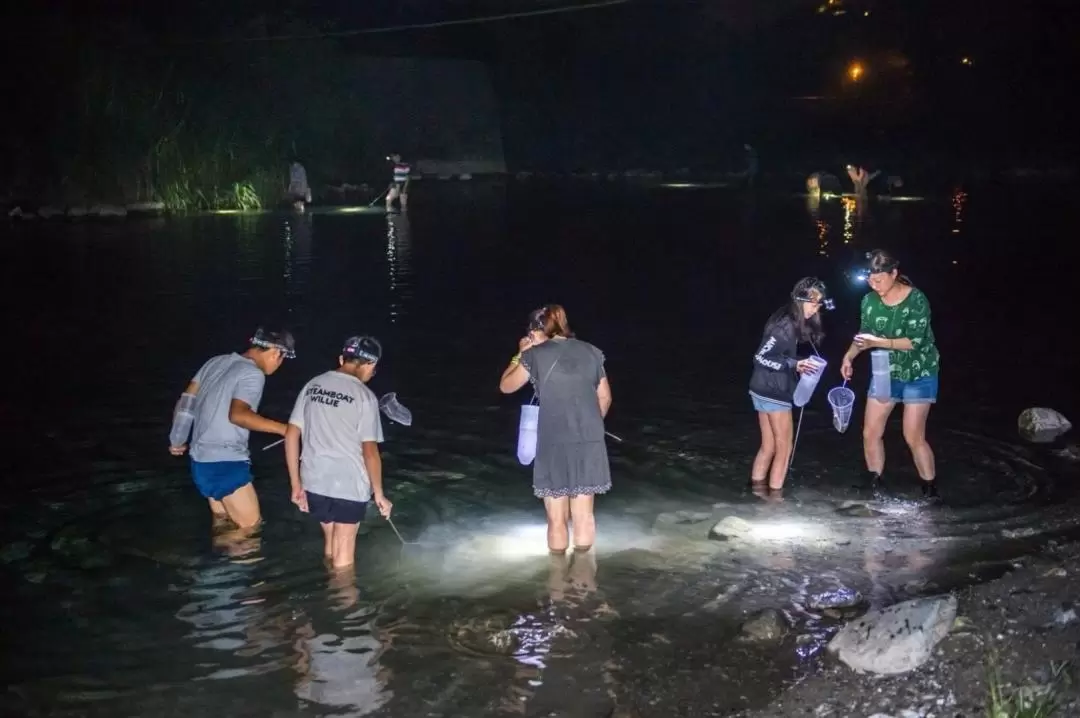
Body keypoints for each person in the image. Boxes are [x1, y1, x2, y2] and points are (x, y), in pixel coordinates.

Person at [498, 305, 612, 554]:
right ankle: (583, 581)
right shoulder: (592, 352)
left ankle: (558, 582)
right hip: (589, 441)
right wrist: (590, 427)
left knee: (557, 518)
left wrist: (519, 354)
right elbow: (604, 398)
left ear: (537, 330)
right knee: (584, 516)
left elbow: (506, 386)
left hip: (553, 442)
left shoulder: (534, 355)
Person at [169, 328, 295, 529]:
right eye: (282, 359)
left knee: (225, 524)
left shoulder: (215, 362)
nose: (278, 365)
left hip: (200, 461)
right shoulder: (253, 373)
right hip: (225, 462)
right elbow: (238, 415)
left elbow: (186, 401)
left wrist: (177, 439)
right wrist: (286, 430)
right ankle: (231, 561)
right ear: (276, 353)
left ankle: (217, 559)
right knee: (250, 531)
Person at [285, 336, 393, 568]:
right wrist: (379, 494)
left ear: (342, 358)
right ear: (370, 365)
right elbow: (370, 451)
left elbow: (292, 434)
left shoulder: (312, 385)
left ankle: (328, 591)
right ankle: (344, 602)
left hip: (314, 481)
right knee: (344, 556)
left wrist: (296, 484)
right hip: (348, 484)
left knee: (331, 545)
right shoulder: (365, 396)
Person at [841, 249, 941, 498]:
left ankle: (929, 488)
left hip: (920, 372)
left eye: (879, 280)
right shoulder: (869, 302)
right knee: (870, 431)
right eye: (870, 281)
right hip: (885, 371)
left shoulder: (917, 299)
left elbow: (915, 341)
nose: (874, 286)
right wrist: (849, 355)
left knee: (913, 435)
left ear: (894, 273)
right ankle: (875, 482)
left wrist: (878, 342)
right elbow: (865, 334)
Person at [748, 278, 832, 495]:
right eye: (813, 304)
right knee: (784, 448)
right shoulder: (784, 325)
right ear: (799, 300)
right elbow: (760, 357)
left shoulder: (790, 321)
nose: (816, 310)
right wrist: (795, 364)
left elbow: (776, 355)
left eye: (819, 304)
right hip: (773, 391)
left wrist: (797, 363)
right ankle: (774, 503)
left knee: (768, 446)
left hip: (761, 388)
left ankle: (755, 495)